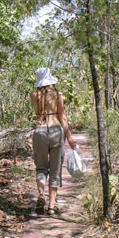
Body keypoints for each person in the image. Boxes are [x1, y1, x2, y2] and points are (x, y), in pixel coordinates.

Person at [30, 67, 77, 215]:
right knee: (55, 169)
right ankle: (51, 206)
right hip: (56, 130)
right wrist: (69, 138)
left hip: (39, 131)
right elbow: (62, 117)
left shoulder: (33, 95)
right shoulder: (57, 94)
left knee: (41, 168)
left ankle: (40, 196)